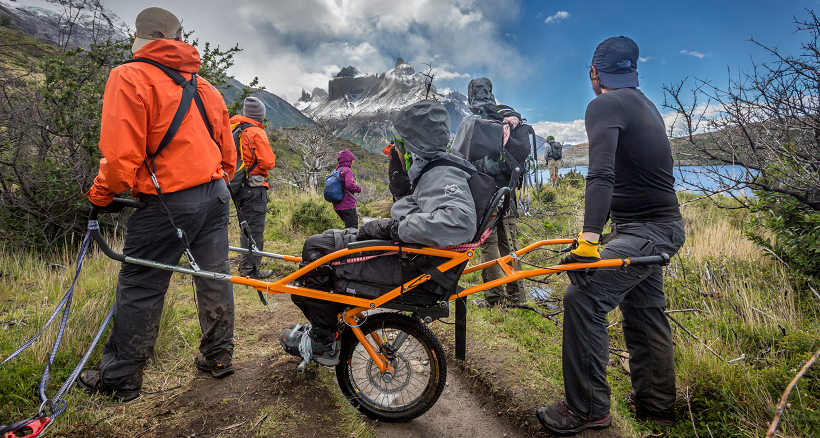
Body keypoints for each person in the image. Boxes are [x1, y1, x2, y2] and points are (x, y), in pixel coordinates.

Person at [79, 7, 237, 402]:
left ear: (142, 40)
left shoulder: (129, 77)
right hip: (215, 194)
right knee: (214, 275)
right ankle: (218, 358)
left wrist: (102, 194)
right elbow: (228, 155)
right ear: (177, 39)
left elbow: (119, 158)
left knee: (141, 284)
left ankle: (121, 379)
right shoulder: (206, 88)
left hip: (167, 202)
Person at [536, 36, 685, 434]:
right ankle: (656, 407)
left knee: (583, 295)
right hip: (660, 227)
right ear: (632, 71)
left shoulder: (604, 104)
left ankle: (587, 409)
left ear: (594, 72)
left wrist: (588, 241)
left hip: (646, 230)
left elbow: (601, 173)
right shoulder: (643, 104)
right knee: (644, 311)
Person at [280, 100, 477, 366]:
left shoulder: (440, 173)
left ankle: (324, 341)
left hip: (412, 265)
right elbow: (424, 209)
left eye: (398, 143)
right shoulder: (434, 167)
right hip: (412, 255)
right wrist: (401, 192)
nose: (393, 149)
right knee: (316, 252)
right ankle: (331, 326)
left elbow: (460, 221)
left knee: (316, 252)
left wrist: (395, 228)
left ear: (413, 144)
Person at [462, 77, 524, 307]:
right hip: (509, 193)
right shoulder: (505, 116)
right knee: (511, 245)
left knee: (489, 246)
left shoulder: (475, 120)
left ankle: (494, 299)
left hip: (485, 196)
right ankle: (516, 295)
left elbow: (465, 160)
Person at [230, 97, 277, 279]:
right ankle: (250, 270)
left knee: (245, 228)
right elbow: (268, 162)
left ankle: (250, 262)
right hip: (253, 187)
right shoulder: (256, 132)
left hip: (237, 187)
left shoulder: (233, 128)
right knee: (254, 229)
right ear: (260, 115)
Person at [331, 149, 362, 229]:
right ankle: (348, 241)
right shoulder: (347, 170)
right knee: (353, 230)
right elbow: (349, 185)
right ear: (348, 160)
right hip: (347, 205)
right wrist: (358, 189)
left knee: (348, 228)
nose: (352, 162)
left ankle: (345, 240)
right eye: (351, 160)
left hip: (337, 206)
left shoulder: (334, 171)